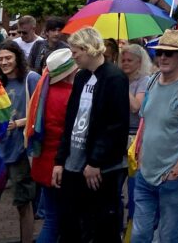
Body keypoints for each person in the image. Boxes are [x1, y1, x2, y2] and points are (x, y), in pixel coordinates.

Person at [130, 28, 178, 243]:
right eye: (160, 52)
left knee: (169, 237)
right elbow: (146, 120)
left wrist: (176, 172)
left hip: (173, 180)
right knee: (139, 236)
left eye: (169, 53)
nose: (163, 57)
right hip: (145, 175)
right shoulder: (153, 81)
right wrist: (141, 156)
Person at [52, 27, 129, 243]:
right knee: (70, 224)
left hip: (100, 167)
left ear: (88, 49)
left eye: (76, 51)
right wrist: (60, 160)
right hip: (74, 163)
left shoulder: (115, 78)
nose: (73, 56)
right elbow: (70, 120)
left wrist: (96, 160)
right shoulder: (81, 77)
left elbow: (115, 125)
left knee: (101, 225)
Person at [0, 43, 41, 243]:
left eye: (8, 58)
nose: (4, 62)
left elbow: (40, 113)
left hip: (20, 149)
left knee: (23, 202)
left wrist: (18, 123)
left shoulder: (31, 79)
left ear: (17, 58)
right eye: (1, 59)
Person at [26, 48, 76, 243]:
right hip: (62, 166)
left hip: (42, 163)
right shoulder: (71, 95)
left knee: (51, 219)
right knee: (59, 222)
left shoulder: (44, 92)